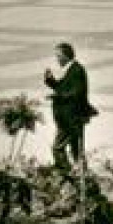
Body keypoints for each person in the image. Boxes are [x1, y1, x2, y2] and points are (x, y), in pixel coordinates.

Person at [44, 43, 96, 173]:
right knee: (76, 149)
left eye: (59, 56)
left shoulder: (77, 70)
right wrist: (51, 82)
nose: (57, 59)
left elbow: (76, 92)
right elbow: (64, 88)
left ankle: (66, 173)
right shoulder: (71, 69)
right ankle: (82, 177)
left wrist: (58, 97)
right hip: (68, 118)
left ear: (66, 56)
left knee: (58, 148)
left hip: (71, 119)